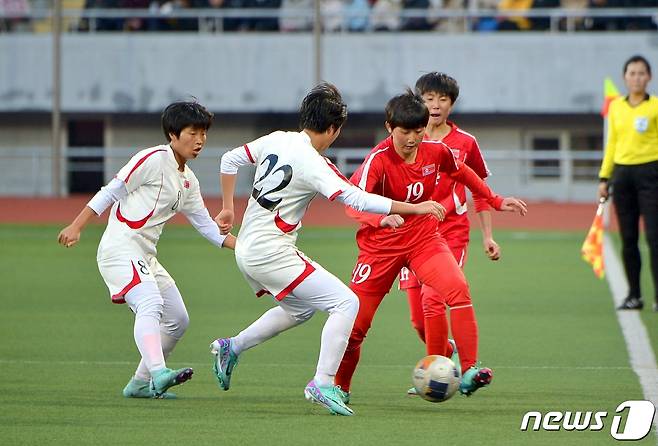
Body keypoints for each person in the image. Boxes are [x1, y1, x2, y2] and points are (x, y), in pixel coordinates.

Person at [209, 82, 445, 417]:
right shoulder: (313, 162)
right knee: (346, 302)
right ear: (333, 129)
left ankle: (231, 347)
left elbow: (229, 159)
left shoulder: (278, 138)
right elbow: (357, 199)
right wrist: (415, 207)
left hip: (249, 247)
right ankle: (321, 383)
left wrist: (228, 207)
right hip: (270, 253)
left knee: (300, 309)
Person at [334, 90, 527, 402]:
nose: (412, 139)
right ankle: (339, 388)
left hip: (424, 239)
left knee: (458, 289)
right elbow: (352, 203)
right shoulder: (377, 162)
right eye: (404, 131)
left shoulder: (435, 151)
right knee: (355, 327)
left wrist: (494, 199)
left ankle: (468, 371)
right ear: (389, 128)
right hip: (380, 249)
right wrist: (379, 219)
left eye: (418, 131)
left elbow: (462, 171)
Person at [57, 101, 235, 399]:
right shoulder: (152, 158)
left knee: (178, 319)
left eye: (204, 133)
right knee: (149, 302)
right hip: (120, 248)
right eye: (193, 132)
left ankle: (139, 384)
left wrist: (245, 248)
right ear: (172, 134)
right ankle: (158, 372)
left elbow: (206, 226)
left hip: (145, 256)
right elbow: (112, 190)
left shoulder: (189, 181)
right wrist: (76, 226)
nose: (200, 140)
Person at [399, 72, 500, 395]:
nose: (435, 105)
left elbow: (480, 190)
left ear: (452, 104)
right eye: (429, 98)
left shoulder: (465, 143)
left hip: (449, 235)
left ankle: (455, 372)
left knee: (434, 299)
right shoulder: (406, 139)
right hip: (410, 235)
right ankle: (445, 356)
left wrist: (487, 236)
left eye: (443, 99)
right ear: (419, 102)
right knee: (418, 320)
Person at [598, 55, 658, 311]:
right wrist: (604, 177)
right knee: (628, 237)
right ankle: (634, 295)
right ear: (625, 77)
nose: (636, 78)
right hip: (622, 176)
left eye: (641, 73)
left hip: (651, 173)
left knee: (655, 237)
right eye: (632, 73)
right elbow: (612, 143)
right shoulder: (616, 107)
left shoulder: (655, 106)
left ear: (649, 77)